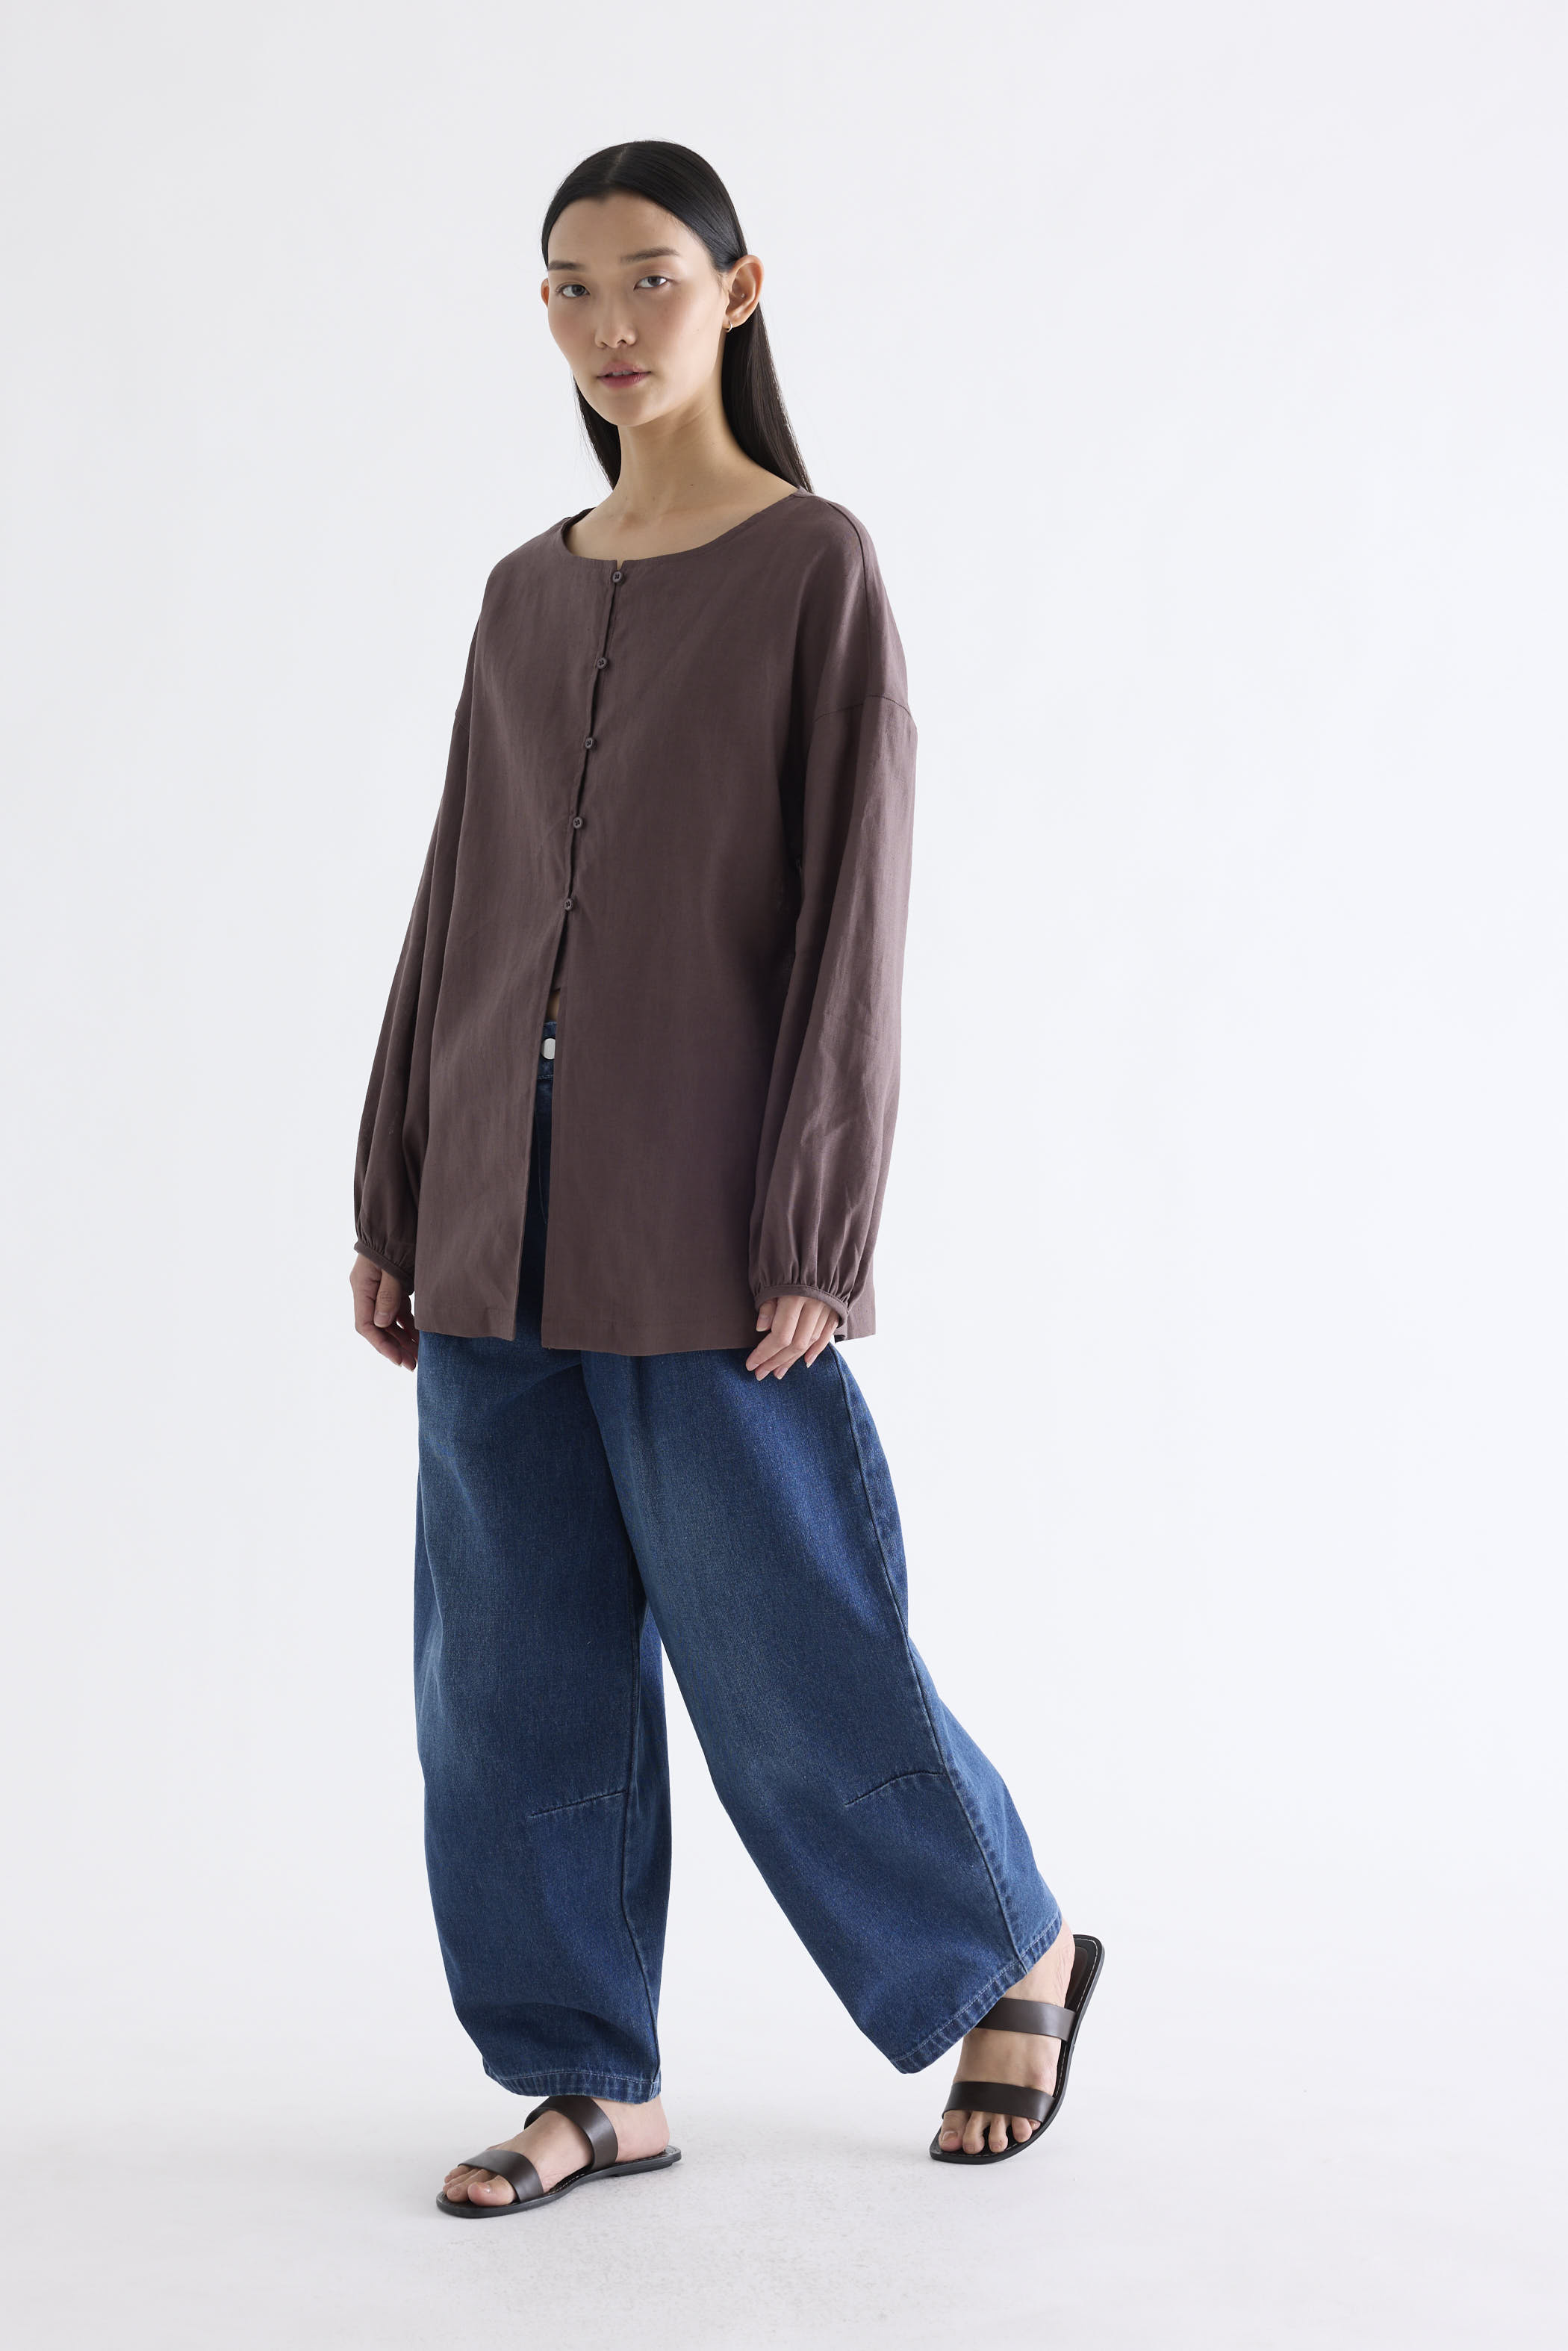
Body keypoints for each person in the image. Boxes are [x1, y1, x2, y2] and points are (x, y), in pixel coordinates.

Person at [349, 139, 1102, 2220]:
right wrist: (396, 1187)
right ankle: (590, 2078)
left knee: (789, 1638)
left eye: (653, 280)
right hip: (492, 1207)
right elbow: (457, 898)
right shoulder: (521, 591)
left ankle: (1009, 1947)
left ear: (738, 292)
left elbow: (855, 912)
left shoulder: (810, 567)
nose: (613, 325)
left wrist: (817, 1234)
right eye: (574, 289)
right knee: (506, 1674)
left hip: (700, 1217)